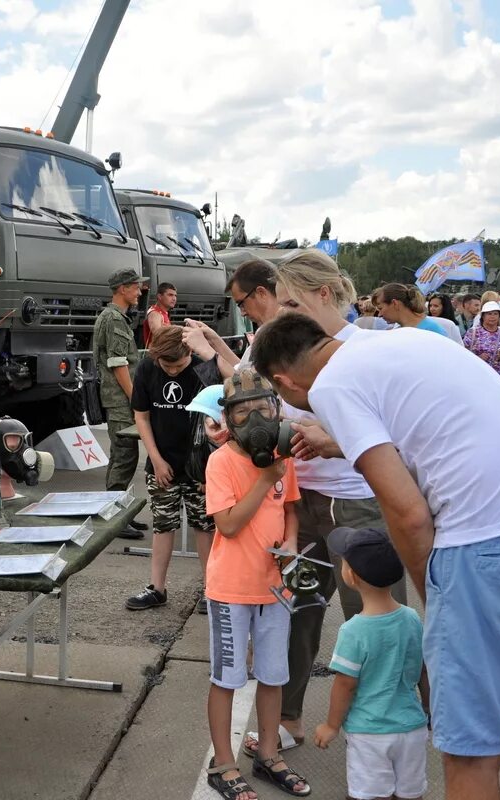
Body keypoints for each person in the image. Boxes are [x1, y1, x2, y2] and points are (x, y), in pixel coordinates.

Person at [250, 313, 500, 800]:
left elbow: (407, 512)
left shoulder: (329, 386)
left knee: (471, 756)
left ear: (283, 382)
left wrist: (432, 595)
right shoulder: (404, 340)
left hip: (485, 554)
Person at [241, 249, 405, 755]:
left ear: (326, 293)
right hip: (302, 502)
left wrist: (327, 433)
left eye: (291, 301)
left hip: (361, 505)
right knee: (298, 612)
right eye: (280, 302)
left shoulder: (366, 349)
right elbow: (250, 398)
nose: (281, 312)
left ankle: (386, 725)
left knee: (377, 621)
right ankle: (289, 718)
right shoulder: (280, 346)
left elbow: (394, 431)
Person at [203, 369, 309, 800]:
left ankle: (268, 752)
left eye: (262, 409)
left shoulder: (286, 457)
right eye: (241, 412)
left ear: (277, 409)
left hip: (275, 588)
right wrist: (265, 479)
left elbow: (292, 509)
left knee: (273, 673)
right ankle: (223, 762)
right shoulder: (222, 461)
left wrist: (292, 542)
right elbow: (227, 525)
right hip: (232, 589)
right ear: (228, 419)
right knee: (228, 677)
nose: (254, 420)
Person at [314, 527, 429, 800]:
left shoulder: (354, 631)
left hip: (370, 732)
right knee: (411, 793)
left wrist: (331, 725)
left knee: (371, 794)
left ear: (351, 576)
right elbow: (424, 669)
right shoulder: (412, 618)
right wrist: (428, 706)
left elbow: (346, 684)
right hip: (412, 727)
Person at [124, 326, 214, 611]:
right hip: (162, 463)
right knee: (163, 524)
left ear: (189, 352)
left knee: (204, 526)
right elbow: (142, 417)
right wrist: (156, 459)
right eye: (167, 366)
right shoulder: (147, 368)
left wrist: (209, 469)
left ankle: (211, 588)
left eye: (179, 365)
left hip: (200, 465)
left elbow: (217, 422)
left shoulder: (205, 369)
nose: (173, 371)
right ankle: (157, 587)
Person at [93, 268, 147, 539]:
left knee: (122, 456)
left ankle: (119, 513)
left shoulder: (115, 317)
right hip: (120, 400)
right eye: (135, 287)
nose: (139, 292)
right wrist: (135, 397)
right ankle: (115, 517)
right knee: (124, 457)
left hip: (119, 399)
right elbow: (118, 364)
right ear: (122, 289)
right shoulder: (114, 319)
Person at [463, 301, 500, 382]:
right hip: (477, 377)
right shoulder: (473, 332)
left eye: (495, 314)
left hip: (499, 379)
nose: (492, 317)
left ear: (499, 317)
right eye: (489, 314)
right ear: (483, 316)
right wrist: (478, 358)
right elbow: (463, 357)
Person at [372, 284, 450, 338]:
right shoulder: (397, 331)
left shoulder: (432, 331)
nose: (379, 315)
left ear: (395, 303)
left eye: (380, 308)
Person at [143, 281, 176, 347]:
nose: (174, 298)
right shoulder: (155, 313)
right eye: (170, 295)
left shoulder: (163, 312)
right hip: (157, 355)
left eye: (175, 295)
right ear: (160, 296)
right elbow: (158, 335)